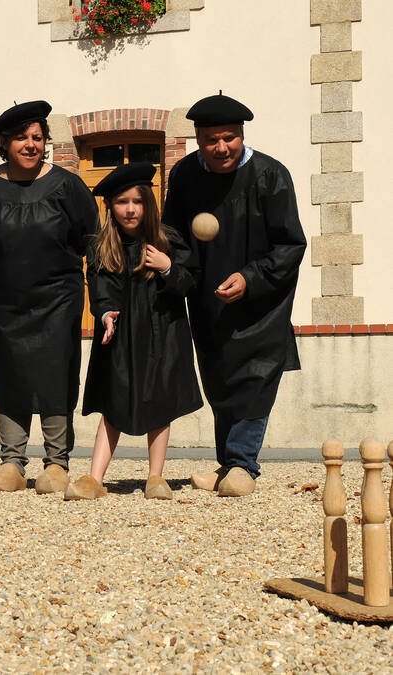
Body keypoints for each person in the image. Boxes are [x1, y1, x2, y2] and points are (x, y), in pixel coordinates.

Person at [163, 93, 306, 497]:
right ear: (197, 139)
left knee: (255, 378)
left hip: (262, 303)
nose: (221, 147)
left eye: (229, 138)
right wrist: (178, 273)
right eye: (211, 139)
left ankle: (243, 463)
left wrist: (250, 277)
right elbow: (175, 235)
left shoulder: (270, 175)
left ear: (242, 135)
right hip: (209, 299)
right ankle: (228, 463)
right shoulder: (186, 175)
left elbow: (290, 245)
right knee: (220, 379)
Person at [0, 100, 99, 494]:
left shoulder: (67, 186)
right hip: (3, 301)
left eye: (37, 137)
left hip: (57, 300)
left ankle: (56, 462)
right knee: (8, 373)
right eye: (21, 138)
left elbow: (92, 242)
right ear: (4, 143)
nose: (30, 145)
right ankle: (12, 463)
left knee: (56, 373)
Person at [65, 163, 203, 501]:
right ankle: (95, 478)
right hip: (121, 334)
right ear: (111, 207)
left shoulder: (167, 240)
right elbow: (99, 285)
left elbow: (190, 282)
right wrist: (105, 313)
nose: (130, 209)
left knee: (160, 399)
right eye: (122, 202)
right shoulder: (102, 246)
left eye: (137, 201)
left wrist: (168, 267)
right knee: (114, 399)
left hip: (162, 334)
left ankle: (155, 477)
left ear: (148, 204)